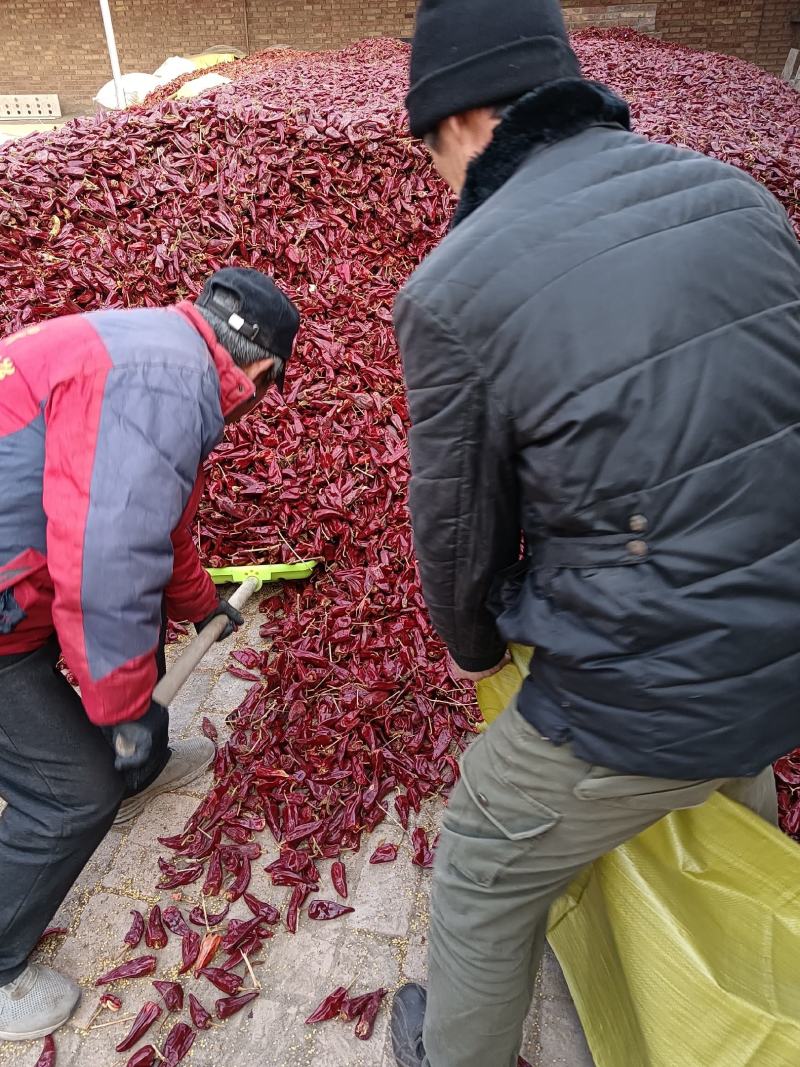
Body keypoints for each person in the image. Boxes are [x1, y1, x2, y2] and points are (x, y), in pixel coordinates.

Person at [389, 2, 800, 1066]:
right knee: (718, 781)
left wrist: (479, 649)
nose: (439, 181)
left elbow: (457, 530)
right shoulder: (738, 198)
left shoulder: (456, 283)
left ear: (467, 118)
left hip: (643, 684)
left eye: (429, 149)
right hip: (781, 649)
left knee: (482, 857)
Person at [0, 267, 300, 1040]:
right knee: (72, 791)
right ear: (261, 372)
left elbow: (155, 522)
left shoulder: (155, 351)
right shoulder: (172, 388)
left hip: (16, 575)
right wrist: (127, 713)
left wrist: (203, 608)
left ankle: (134, 755)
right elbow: (108, 563)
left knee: (113, 664)